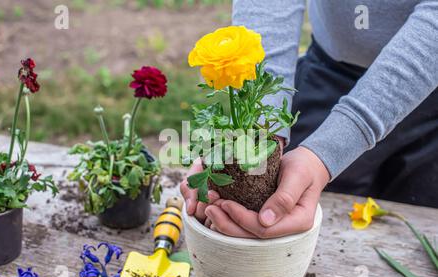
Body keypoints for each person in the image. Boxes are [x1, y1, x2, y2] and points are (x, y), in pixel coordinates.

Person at [180, 0, 438, 238]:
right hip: (330, 71)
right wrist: (258, 127)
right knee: (315, 223)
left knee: (415, 234)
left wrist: (328, 151)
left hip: (430, 88)